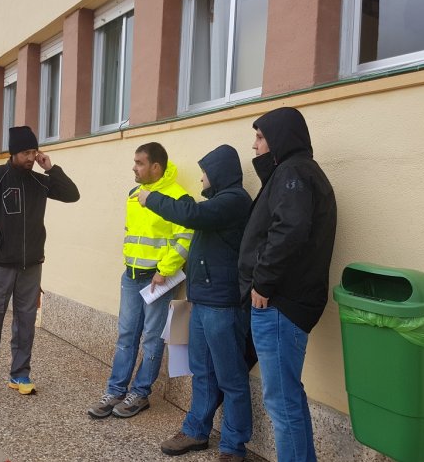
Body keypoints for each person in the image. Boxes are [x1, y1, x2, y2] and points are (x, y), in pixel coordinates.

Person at [136, 144, 253, 462]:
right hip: (202, 302)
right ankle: (196, 431)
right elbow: (195, 213)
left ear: (217, 172)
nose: (201, 178)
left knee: (231, 378)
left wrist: (153, 198)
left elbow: (193, 216)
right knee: (202, 371)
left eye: (204, 172)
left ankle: (233, 446)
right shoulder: (219, 204)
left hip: (222, 306)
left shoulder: (234, 201)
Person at [238, 107, 337, 462]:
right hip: (283, 302)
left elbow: (289, 230)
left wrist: (262, 284)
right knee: (287, 399)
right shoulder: (291, 173)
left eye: (261, 137)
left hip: (279, 304)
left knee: (281, 403)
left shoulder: (293, 172)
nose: (254, 145)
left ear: (280, 137)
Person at [0, 126, 80, 402]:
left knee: (26, 322)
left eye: (34, 152)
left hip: (31, 265)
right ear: (14, 152)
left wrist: (51, 169)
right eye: (26, 152)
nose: (31, 157)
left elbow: (72, 194)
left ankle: (20, 374)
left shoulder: (39, 181)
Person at [87, 142, 194, 419]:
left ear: (155, 167)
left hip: (158, 279)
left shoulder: (179, 198)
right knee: (126, 336)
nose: (134, 168)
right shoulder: (134, 193)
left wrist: (165, 269)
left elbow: (185, 239)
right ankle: (115, 390)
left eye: (139, 163)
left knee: (151, 340)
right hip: (131, 275)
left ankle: (140, 393)